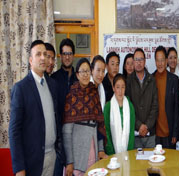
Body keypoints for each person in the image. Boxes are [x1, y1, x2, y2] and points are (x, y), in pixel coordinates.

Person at [9, 40, 62, 176]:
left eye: (45, 54)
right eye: (38, 54)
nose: (43, 57)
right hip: (31, 161)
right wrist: (19, 168)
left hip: (52, 157)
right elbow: (14, 131)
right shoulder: (21, 88)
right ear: (31, 60)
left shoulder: (52, 85)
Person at [63, 58, 106, 176]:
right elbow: (67, 132)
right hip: (77, 152)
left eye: (87, 71)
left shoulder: (94, 92)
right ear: (77, 75)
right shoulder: (71, 95)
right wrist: (69, 161)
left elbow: (100, 124)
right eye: (82, 71)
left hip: (93, 148)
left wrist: (101, 149)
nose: (86, 75)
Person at [51, 38, 77, 176]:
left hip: (76, 136)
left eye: (70, 53)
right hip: (57, 139)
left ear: (73, 55)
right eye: (64, 53)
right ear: (60, 56)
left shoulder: (78, 79)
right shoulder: (53, 79)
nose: (67, 57)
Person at [126, 48, 158, 148]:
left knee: (151, 162)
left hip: (150, 133)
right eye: (136, 60)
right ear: (133, 62)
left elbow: (155, 106)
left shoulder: (152, 80)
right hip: (135, 133)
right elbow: (128, 106)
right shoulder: (128, 81)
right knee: (136, 163)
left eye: (141, 59)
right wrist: (139, 126)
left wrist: (147, 126)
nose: (138, 62)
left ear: (145, 61)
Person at [153, 46, 179, 149]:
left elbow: (176, 108)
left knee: (170, 164)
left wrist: (175, 133)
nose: (160, 63)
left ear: (166, 61)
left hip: (169, 133)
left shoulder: (174, 80)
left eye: (162, 60)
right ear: (155, 61)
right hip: (154, 134)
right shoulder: (151, 79)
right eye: (158, 60)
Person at [104, 74, 135, 155]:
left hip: (128, 153)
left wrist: (129, 152)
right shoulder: (108, 107)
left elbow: (131, 132)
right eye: (117, 87)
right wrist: (112, 153)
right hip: (112, 153)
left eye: (123, 87)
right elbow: (106, 132)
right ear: (113, 88)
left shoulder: (130, 106)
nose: (120, 91)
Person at [90, 55, 107, 160]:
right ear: (92, 70)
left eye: (103, 71)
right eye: (98, 70)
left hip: (97, 135)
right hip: (87, 138)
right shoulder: (87, 89)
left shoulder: (101, 88)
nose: (101, 75)